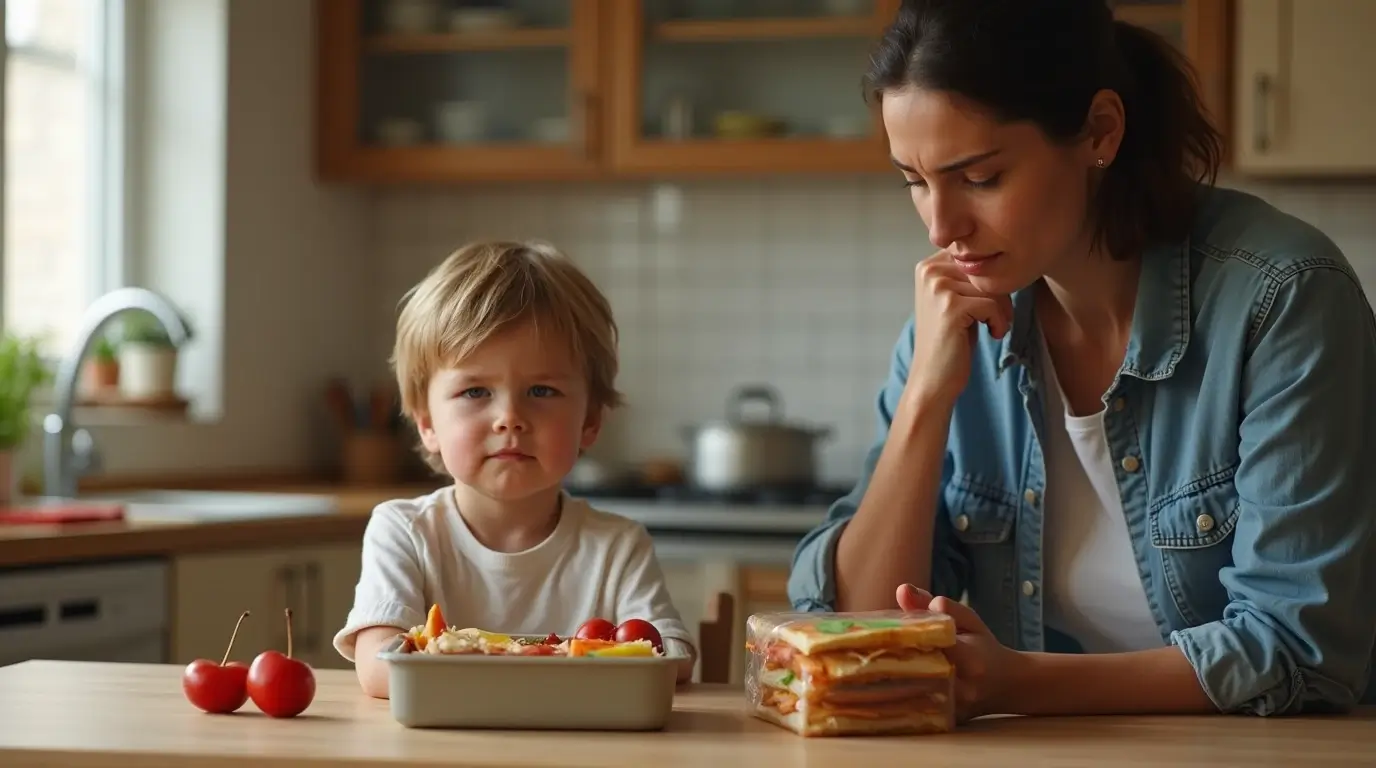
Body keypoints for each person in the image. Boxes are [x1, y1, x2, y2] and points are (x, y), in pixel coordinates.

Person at [789, 0, 1376, 721]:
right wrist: (924, 398)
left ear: (1100, 130)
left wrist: (1015, 684)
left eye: (979, 178)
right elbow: (856, 637)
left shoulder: (1282, 297)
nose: (942, 226)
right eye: (914, 180)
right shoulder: (954, 319)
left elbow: (1298, 650)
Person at [332, 240, 697, 697]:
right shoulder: (403, 531)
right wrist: (546, 663)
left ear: (589, 422)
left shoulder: (618, 546)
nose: (510, 417)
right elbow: (379, 668)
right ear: (427, 424)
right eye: (475, 392)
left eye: (542, 391)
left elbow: (673, 659)